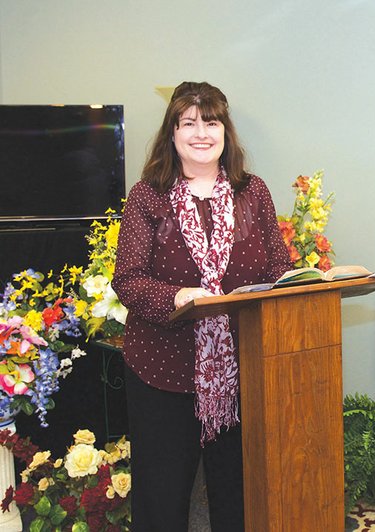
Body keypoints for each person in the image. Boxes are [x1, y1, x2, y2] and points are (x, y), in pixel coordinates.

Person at [112, 81, 292, 531]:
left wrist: (301, 284)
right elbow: (127, 279)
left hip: (241, 371)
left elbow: (278, 267)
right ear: (171, 132)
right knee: (163, 497)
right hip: (163, 372)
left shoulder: (254, 193)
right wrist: (175, 296)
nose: (201, 133)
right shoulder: (147, 196)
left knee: (240, 493)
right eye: (188, 122)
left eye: (211, 122)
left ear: (225, 131)